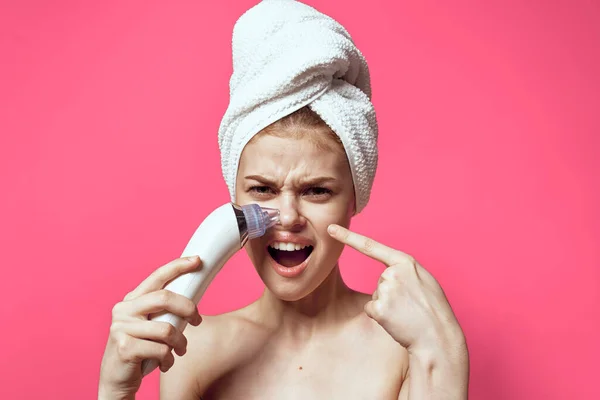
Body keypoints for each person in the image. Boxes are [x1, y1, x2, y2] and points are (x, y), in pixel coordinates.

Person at [98, 1, 469, 399]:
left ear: (353, 200)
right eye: (262, 190)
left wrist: (443, 354)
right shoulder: (194, 353)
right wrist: (114, 391)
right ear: (234, 200)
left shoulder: (406, 348)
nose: (288, 217)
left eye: (316, 191)